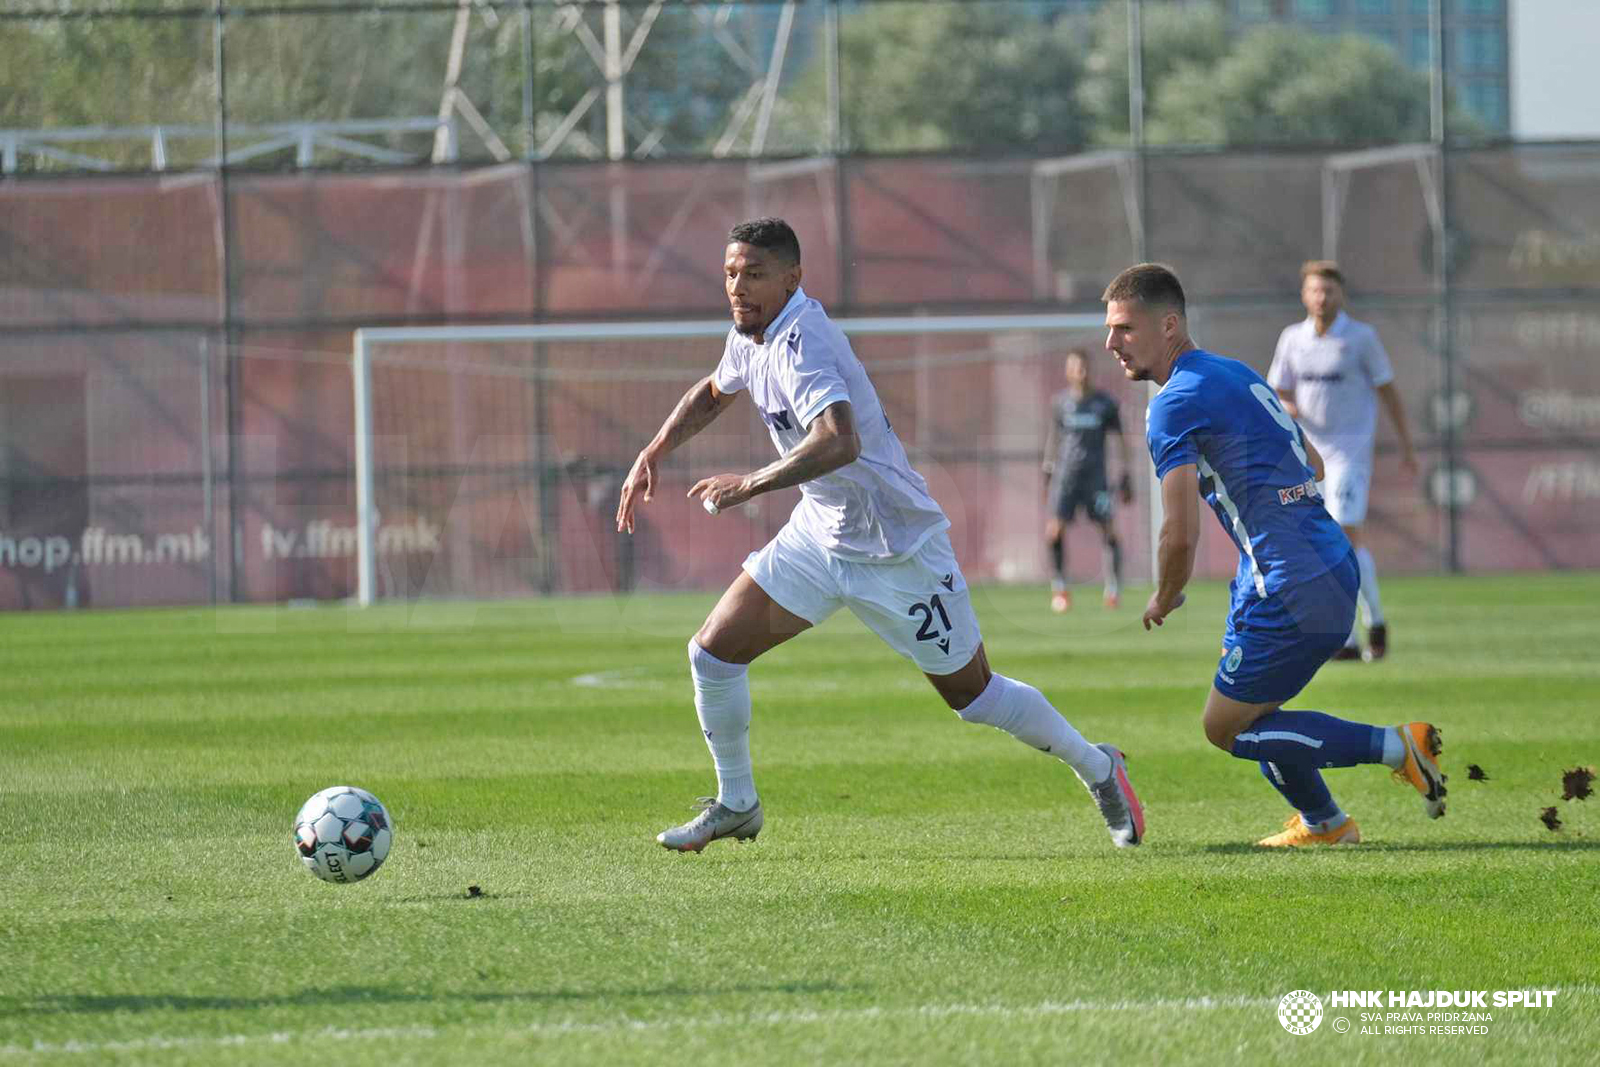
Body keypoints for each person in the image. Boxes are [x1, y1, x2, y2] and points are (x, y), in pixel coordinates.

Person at [615, 217, 1144, 853]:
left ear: (793, 279)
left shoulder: (802, 341)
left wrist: (749, 484)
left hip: (899, 548)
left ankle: (1098, 767)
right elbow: (715, 390)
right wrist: (656, 448)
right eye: (731, 273)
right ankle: (736, 802)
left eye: (754, 274)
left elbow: (840, 441)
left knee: (974, 697)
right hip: (820, 534)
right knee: (713, 654)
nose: (738, 287)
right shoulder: (750, 333)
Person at [1101, 262, 1445, 847]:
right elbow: (1310, 463)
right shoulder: (1235, 373)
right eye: (1109, 330)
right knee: (1259, 713)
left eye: (1125, 329)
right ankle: (1326, 825)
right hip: (1323, 562)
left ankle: (1398, 746)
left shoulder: (1171, 405)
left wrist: (1165, 593)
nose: (1112, 344)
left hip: (1289, 583)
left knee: (1225, 727)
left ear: (1169, 325)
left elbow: (1179, 533)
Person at [1268, 261, 1418, 661]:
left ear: (1341, 295)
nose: (1321, 297)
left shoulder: (1361, 338)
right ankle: (1357, 633)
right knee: (1323, 543)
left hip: (1349, 453)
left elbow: (1388, 392)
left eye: (1329, 291)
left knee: (1345, 537)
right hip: (1308, 457)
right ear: (1304, 295)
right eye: (1315, 290)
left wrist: (1406, 445)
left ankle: (1368, 623)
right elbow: (1276, 391)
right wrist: (1288, 405)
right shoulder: (1292, 339)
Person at [1042, 348, 1133, 612]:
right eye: (1074, 367)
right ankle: (1060, 589)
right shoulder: (1060, 403)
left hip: (1096, 480)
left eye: (1083, 367)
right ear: (1067, 371)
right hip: (1066, 479)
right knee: (1054, 531)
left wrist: (1126, 475)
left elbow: (1120, 440)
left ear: (1090, 370)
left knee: (1109, 530)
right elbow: (1053, 439)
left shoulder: (1105, 404)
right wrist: (1047, 472)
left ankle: (1113, 590)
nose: (1080, 372)